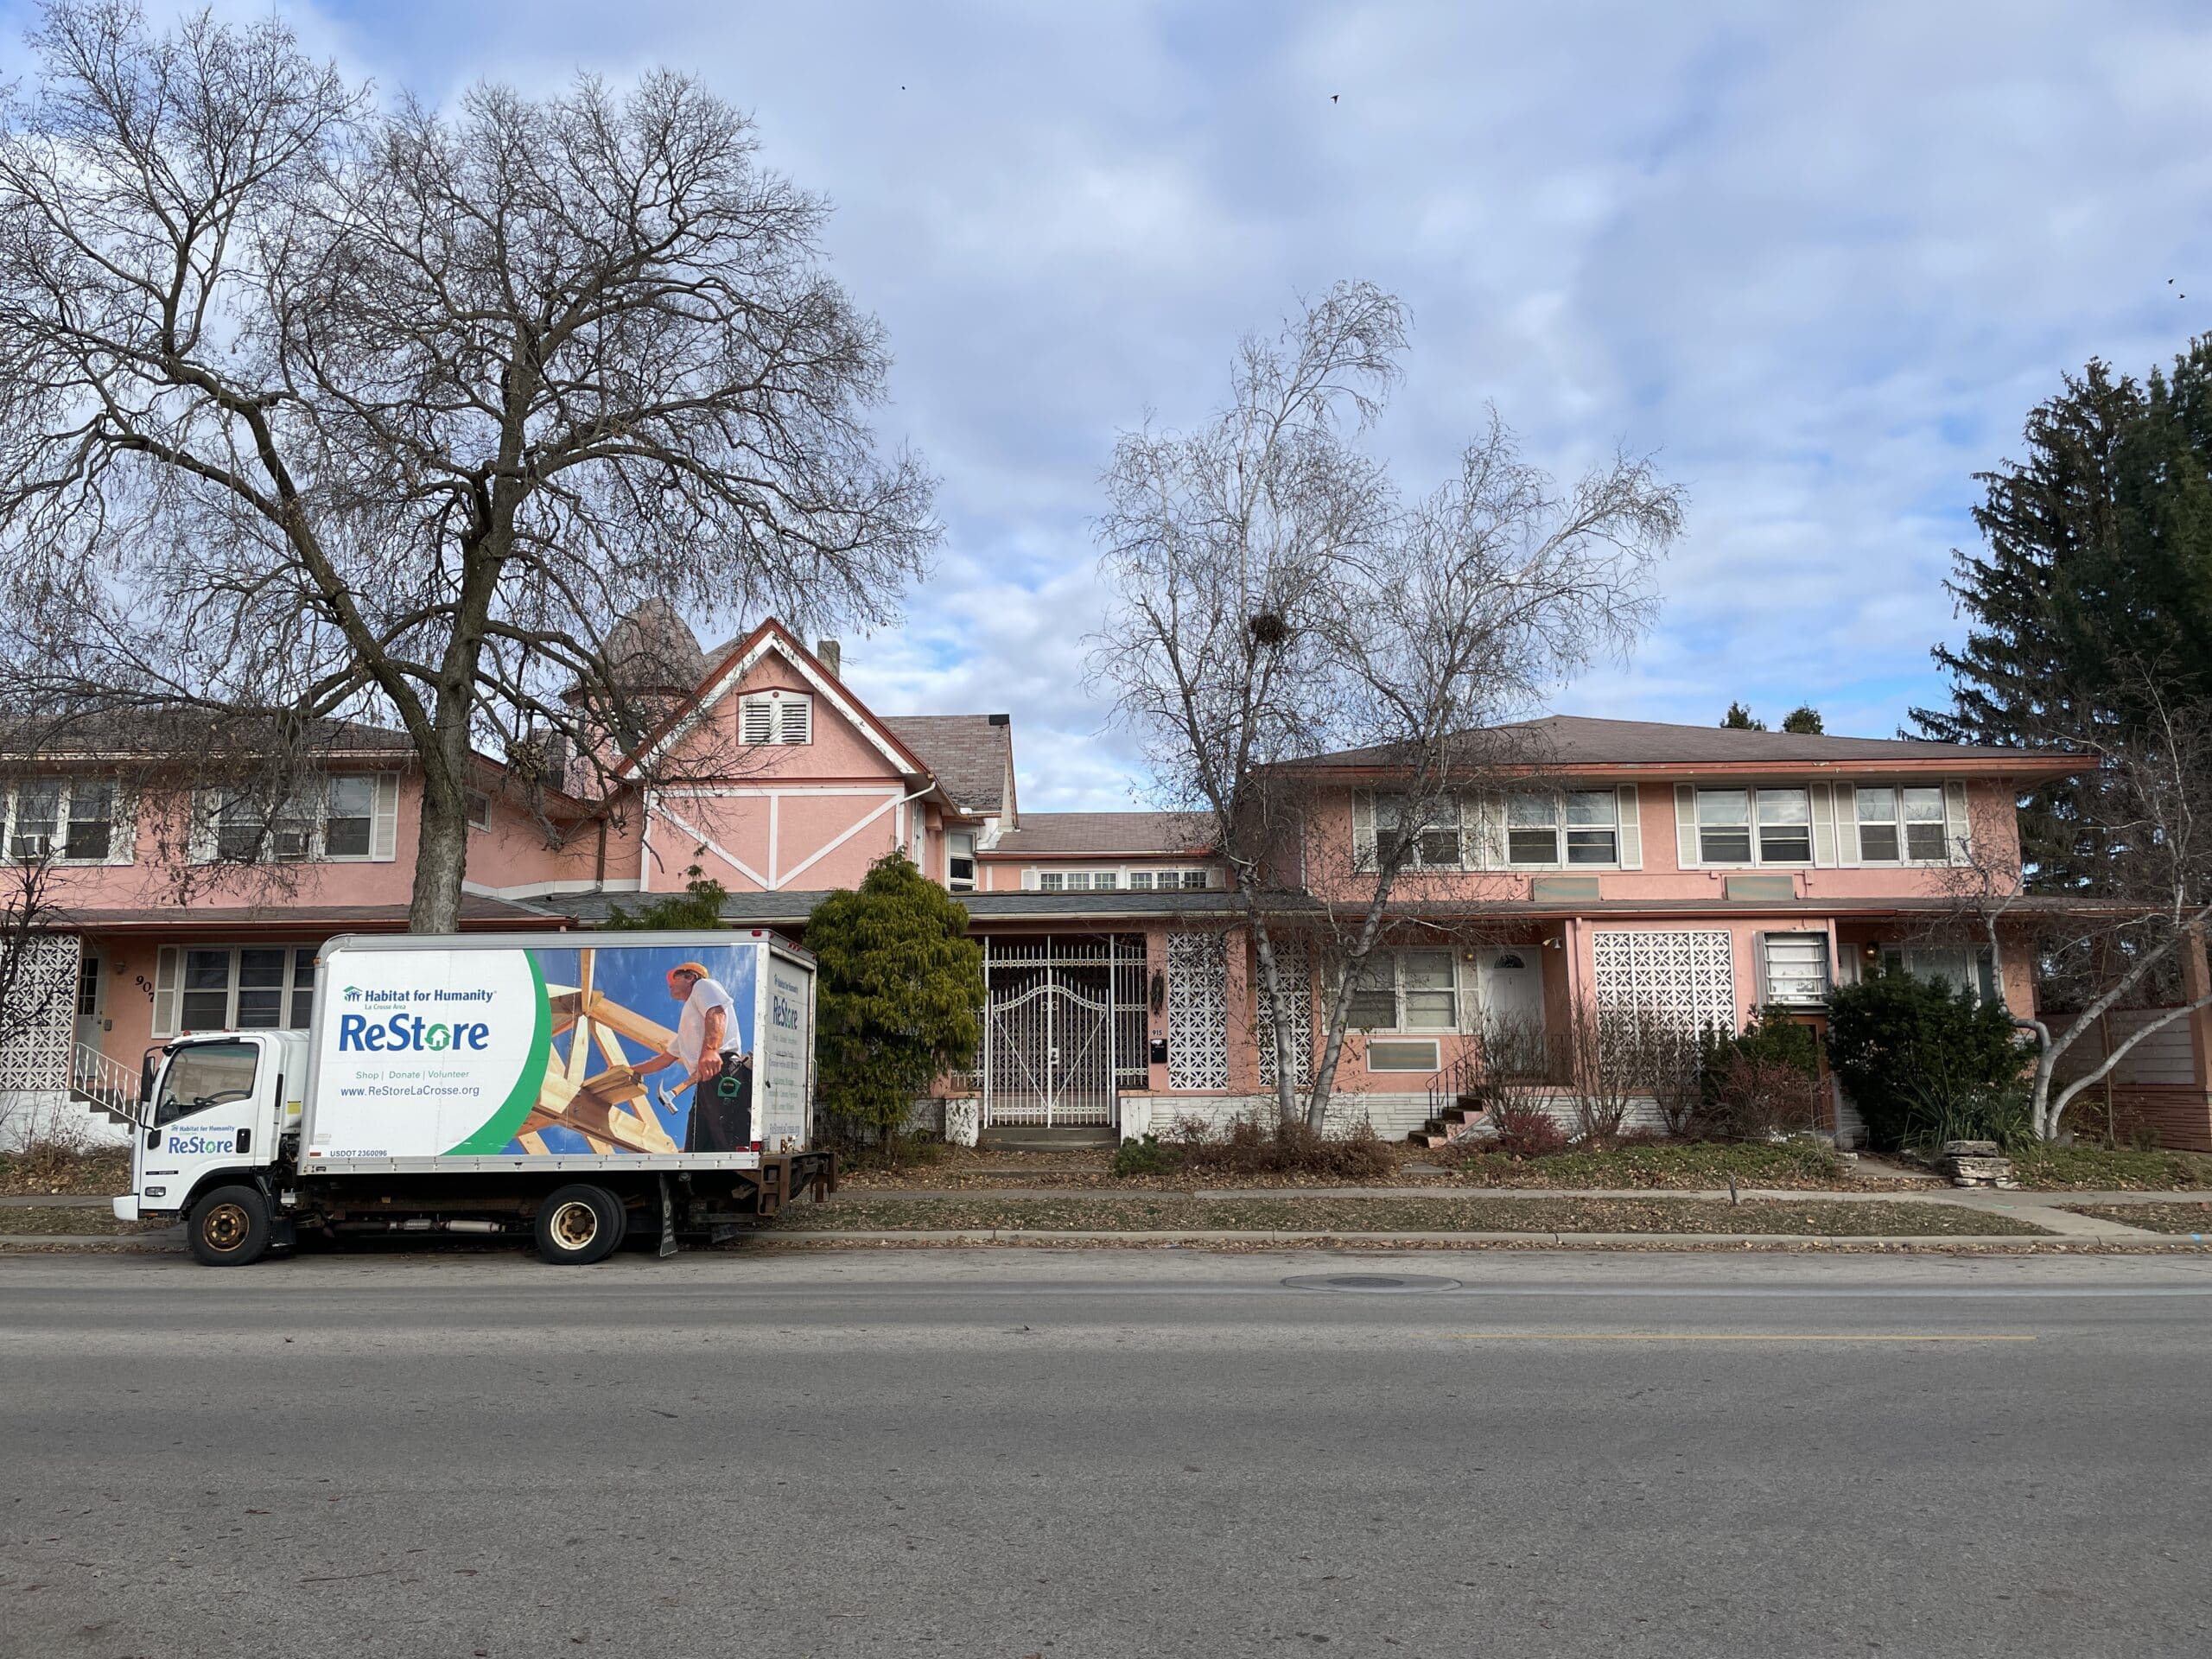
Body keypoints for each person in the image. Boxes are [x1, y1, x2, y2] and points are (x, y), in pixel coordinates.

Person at [633, 963, 750, 1151]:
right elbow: (664, 1059)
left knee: (730, 1142)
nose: (669, 984)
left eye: (675, 978)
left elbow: (716, 1012)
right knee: (697, 1150)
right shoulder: (688, 1023)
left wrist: (711, 1049)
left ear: (690, 977)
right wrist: (630, 1070)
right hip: (705, 1083)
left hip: (723, 1070)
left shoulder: (703, 986)